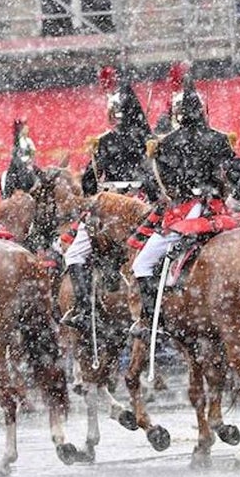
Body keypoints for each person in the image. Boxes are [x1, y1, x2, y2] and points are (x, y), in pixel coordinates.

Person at [129, 77, 240, 335]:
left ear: (178, 114)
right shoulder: (219, 139)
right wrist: (235, 194)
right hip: (216, 208)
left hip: (185, 212)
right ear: (202, 111)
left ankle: (152, 321)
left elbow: (157, 187)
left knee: (142, 264)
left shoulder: (166, 143)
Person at [61, 78, 159, 331]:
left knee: (73, 253)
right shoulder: (149, 139)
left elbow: (89, 183)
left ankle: (83, 308)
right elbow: (152, 179)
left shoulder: (103, 141)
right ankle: (156, 312)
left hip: (109, 207)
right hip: (140, 203)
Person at [1, 118, 37, 198]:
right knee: (10, 176)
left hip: (28, 163)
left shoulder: (29, 141)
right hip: (18, 163)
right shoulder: (18, 141)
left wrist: (30, 161)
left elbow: (33, 153)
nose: (27, 131)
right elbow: (16, 152)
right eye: (25, 129)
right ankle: (8, 192)